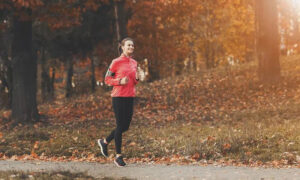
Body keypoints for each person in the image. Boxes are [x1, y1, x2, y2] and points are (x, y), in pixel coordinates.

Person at [97, 37, 139, 167]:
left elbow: (134, 81)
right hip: (118, 97)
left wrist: (137, 78)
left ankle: (105, 141)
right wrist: (119, 82)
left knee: (125, 126)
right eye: (128, 45)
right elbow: (107, 79)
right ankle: (118, 156)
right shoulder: (116, 62)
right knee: (120, 125)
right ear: (122, 47)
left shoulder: (134, 63)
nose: (131, 47)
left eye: (132, 46)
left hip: (130, 96)